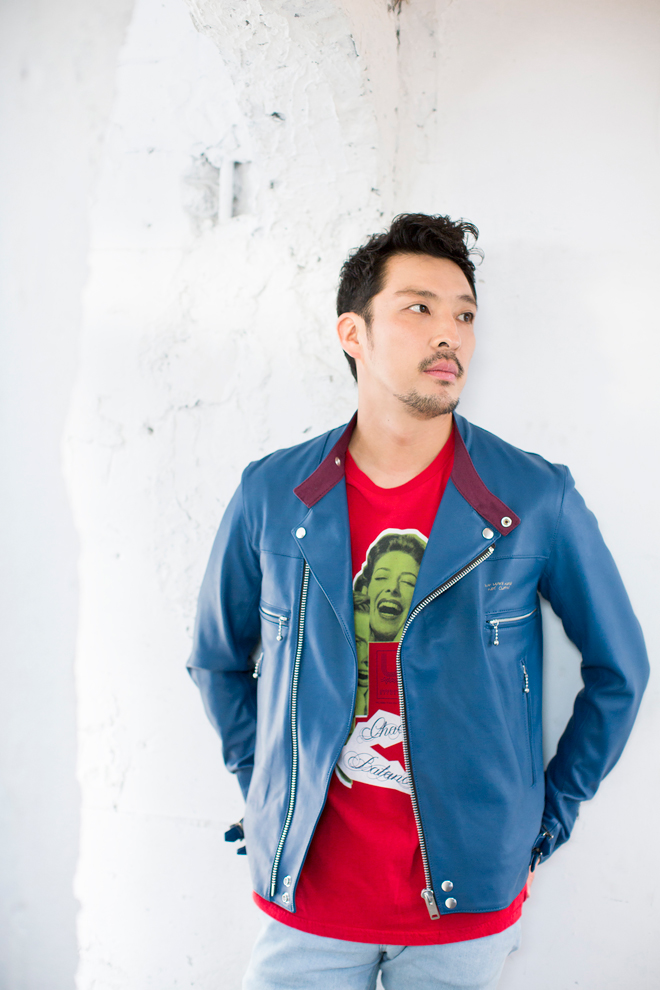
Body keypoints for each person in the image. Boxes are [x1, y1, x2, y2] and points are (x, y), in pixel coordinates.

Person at [187, 213, 649, 990]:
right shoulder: (273, 493)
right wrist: (270, 788)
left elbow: (620, 671)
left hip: (463, 914)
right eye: (419, 308)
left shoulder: (533, 496)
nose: (449, 334)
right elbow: (216, 659)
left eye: (464, 315)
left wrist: (547, 819)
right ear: (354, 333)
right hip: (306, 905)